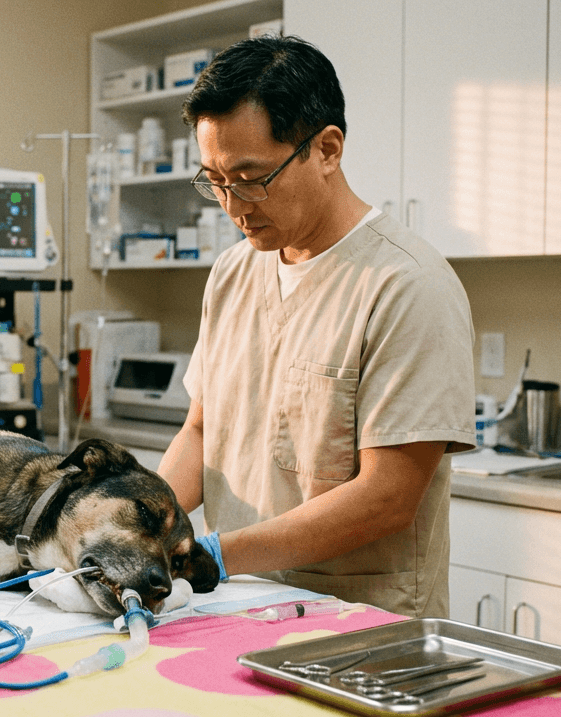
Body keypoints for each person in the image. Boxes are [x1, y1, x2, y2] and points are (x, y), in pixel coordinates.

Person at [157, 35, 475, 619]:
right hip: (237, 608)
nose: (233, 204)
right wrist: (144, 524)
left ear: (327, 149)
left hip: (361, 625)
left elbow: (388, 498)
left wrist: (215, 555)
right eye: (215, 180)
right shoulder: (233, 272)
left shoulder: (407, 285)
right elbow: (202, 431)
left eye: (252, 177)